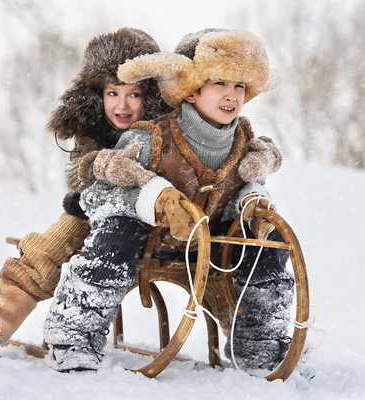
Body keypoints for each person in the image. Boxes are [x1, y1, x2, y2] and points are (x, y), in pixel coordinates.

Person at [44, 28, 294, 373]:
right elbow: (99, 195)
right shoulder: (151, 138)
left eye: (239, 87)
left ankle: (261, 349)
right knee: (118, 230)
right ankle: (74, 336)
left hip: (206, 245)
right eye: (219, 84)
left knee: (270, 240)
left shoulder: (243, 143)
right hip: (147, 240)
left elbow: (245, 186)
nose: (230, 96)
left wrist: (254, 204)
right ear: (190, 91)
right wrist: (155, 201)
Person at [0, 27, 171, 355]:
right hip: (98, 214)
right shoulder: (94, 130)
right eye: (112, 93)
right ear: (98, 95)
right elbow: (78, 171)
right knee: (49, 244)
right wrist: (99, 165)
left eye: (133, 94)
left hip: (149, 220)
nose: (121, 105)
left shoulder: (164, 132)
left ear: (149, 97)